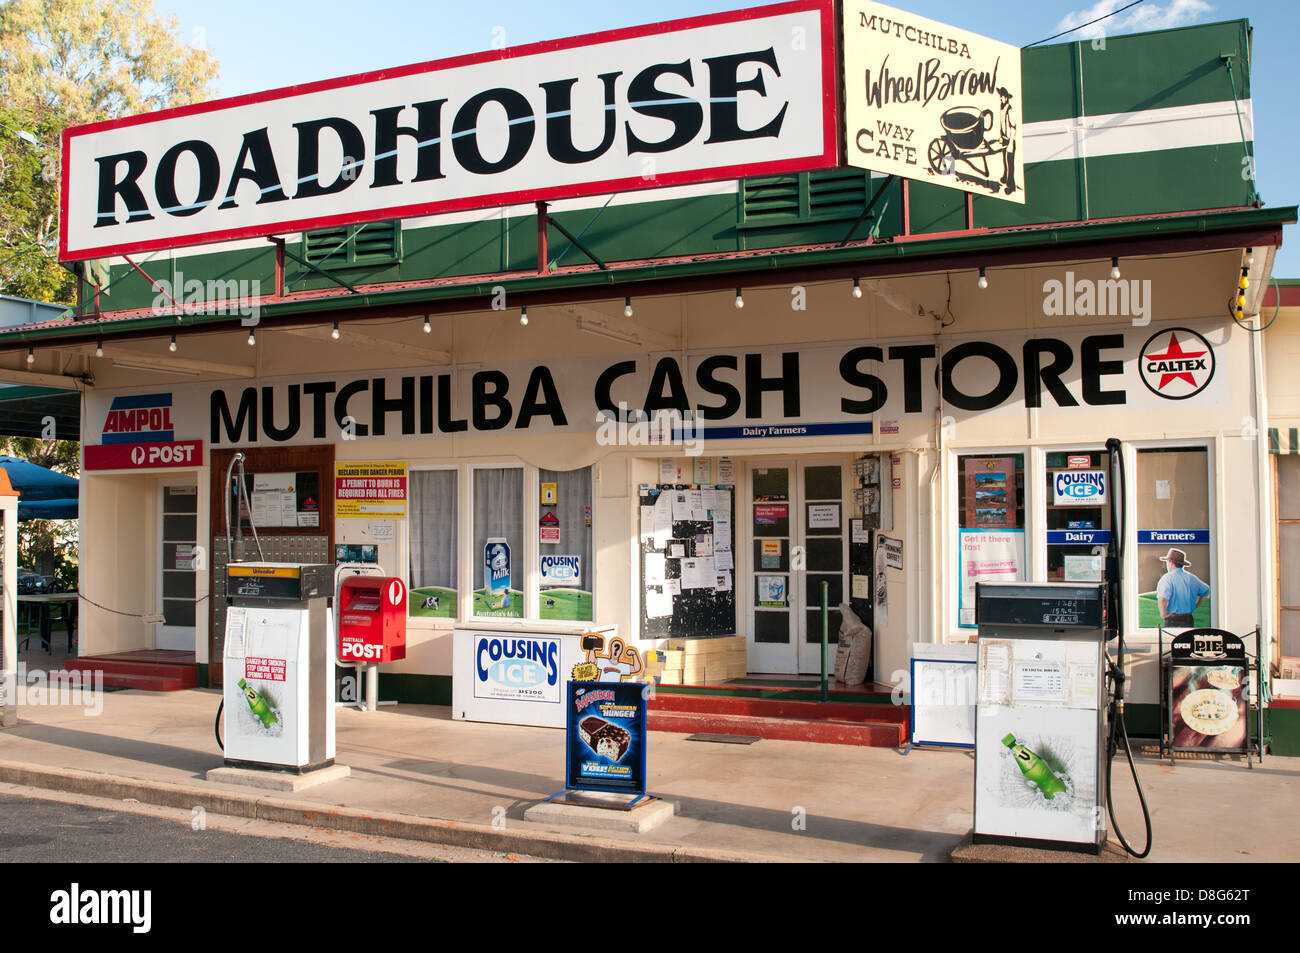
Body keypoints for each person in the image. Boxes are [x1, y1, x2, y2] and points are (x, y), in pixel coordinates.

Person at [1155, 548, 1209, 627]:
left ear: (1170, 562)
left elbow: (1162, 599)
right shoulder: (1192, 578)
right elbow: (1206, 590)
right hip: (1188, 619)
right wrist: (1196, 605)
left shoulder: (1167, 578)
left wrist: (1164, 615)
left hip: (1172, 620)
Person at [997, 86, 1017, 195]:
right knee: (1004, 160)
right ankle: (1005, 177)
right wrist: (1001, 136)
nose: (1000, 98)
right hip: (1004, 139)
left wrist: (1010, 141)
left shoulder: (1010, 110)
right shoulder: (1002, 108)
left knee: (1010, 162)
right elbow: (1001, 124)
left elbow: (1013, 127)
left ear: (1005, 98)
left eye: (1001, 96)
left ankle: (1011, 185)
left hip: (1010, 140)